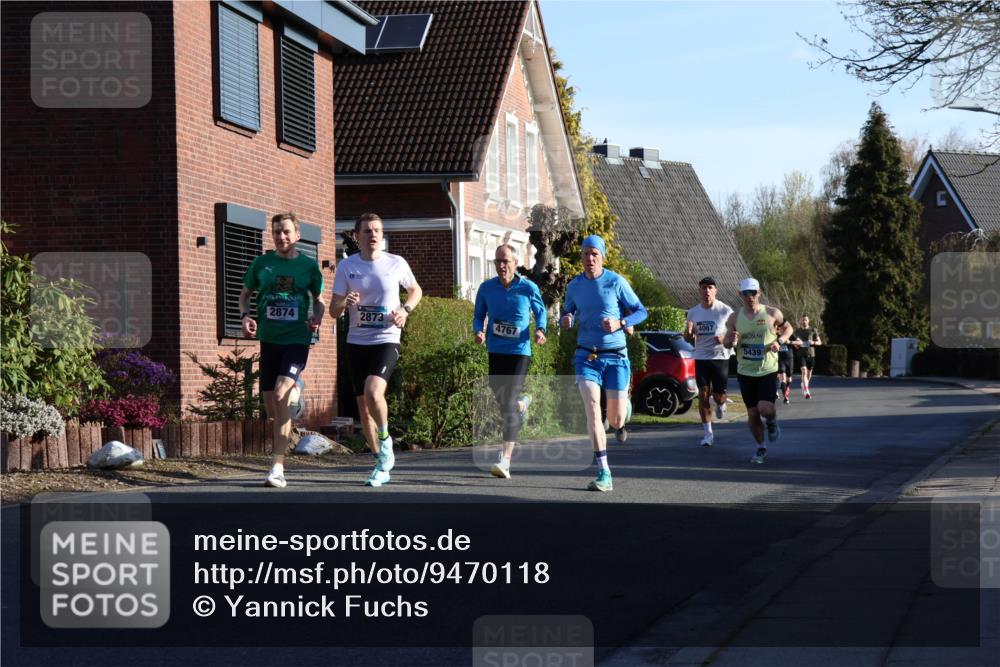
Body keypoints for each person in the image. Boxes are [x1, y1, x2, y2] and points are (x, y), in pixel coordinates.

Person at [330, 213, 422, 487]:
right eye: (367, 231)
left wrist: (405, 310)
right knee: (363, 407)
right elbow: (334, 311)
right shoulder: (347, 267)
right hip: (357, 342)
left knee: (373, 391)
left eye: (377, 231)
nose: (373, 235)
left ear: (382, 235)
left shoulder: (396, 263)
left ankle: (385, 441)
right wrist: (346, 302)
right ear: (357, 236)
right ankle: (380, 461)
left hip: (386, 338)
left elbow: (415, 290)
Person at [239, 212, 325, 488]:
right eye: (276, 232)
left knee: (279, 393)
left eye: (286, 232)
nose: (281, 237)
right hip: (269, 340)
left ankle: (277, 467)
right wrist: (245, 316)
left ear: (297, 235)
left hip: (297, 339)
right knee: (272, 408)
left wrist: (317, 318)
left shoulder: (309, 267)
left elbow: (319, 301)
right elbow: (244, 295)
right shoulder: (261, 264)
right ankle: (295, 388)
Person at [561, 235, 647, 492]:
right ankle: (604, 471)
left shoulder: (616, 282)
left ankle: (622, 417)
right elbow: (569, 311)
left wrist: (621, 323)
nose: (589, 258)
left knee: (616, 418)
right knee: (591, 407)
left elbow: (641, 311)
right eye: (586, 254)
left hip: (616, 357)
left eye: (594, 254)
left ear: (602, 257)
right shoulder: (574, 286)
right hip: (586, 356)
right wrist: (566, 319)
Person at [473, 244, 547, 479]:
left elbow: (541, 311)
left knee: (508, 404)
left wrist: (541, 330)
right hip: (496, 349)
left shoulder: (527, 287)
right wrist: (479, 331)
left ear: (515, 263)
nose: (501, 266)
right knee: (503, 398)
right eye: (497, 262)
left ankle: (504, 460)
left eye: (505, 261)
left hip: (519, 350)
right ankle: (522, 403)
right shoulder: (486, 288)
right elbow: (478, 315)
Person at [723, 278, 794, 465]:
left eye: (753, 293)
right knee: (753, 413)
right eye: (746, 293)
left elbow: (788, 328)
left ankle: (771, 422)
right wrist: (731, 339)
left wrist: (780, 341)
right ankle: (761, 447)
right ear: (740, 295)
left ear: (759, 293)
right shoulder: (734, 317)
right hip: (745, 371)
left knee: (765, 408)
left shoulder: (772, 313)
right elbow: (726, 343)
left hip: (767, 370)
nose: (750, 297)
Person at [684, 276, 734, 447]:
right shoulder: (693, 312)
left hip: (720, 356)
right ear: (700, 291)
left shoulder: (725, 310)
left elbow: (736, 333)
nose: (707, 291)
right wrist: (689, 332)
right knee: (703, 395)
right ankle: (708, 435)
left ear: (715, 291)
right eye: (704, 288)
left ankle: (720, 404)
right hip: (701, 357)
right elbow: (688, 338)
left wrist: (725, 337)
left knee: (718, 396)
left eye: (710, 287)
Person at [794, 315, 823, 399]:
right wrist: (797, 344)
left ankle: (804, 384)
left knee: (809, 373)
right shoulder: (797, 331)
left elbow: (820, 342)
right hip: (801, 354)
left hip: (811, 354)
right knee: (803, 371)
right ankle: (806, 390)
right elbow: (795, 345)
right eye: (803, 320)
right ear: (801, 321)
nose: (804, 321)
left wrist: (813, 342)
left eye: (806, 320)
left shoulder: (813, 330)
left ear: (808, 321)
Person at [776, 333, 800, 404]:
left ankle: (786, 387)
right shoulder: (774, 334)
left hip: (789, 359)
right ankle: (785, 397)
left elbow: (800, 342)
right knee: (783, 378)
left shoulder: (789, 333)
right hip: (780, 359)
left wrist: (790, 342)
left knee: (789, 379)